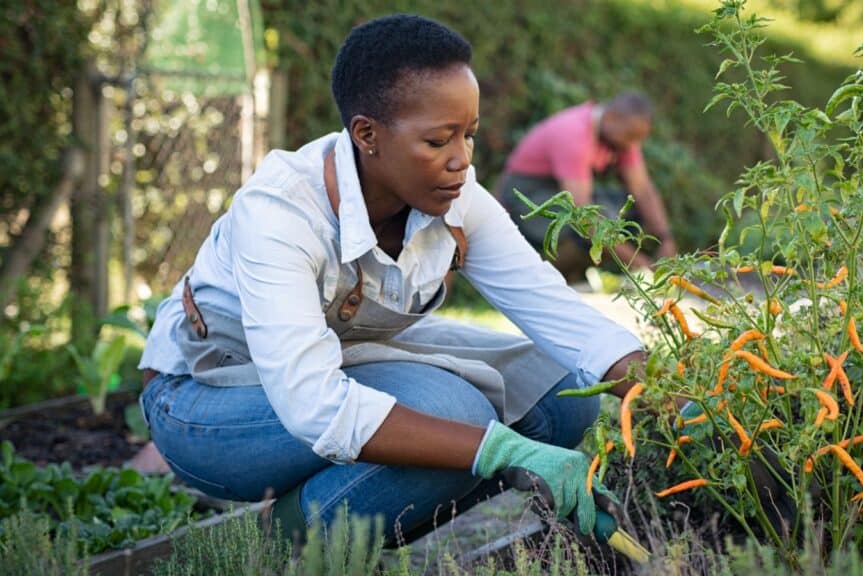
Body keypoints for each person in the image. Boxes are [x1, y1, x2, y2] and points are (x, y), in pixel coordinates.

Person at [136, 14, 648, 546]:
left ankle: (334, 512)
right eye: (438, 141)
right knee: (453, 415)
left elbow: (556, 313)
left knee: (564, 392)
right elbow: (312, 402)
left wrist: (681, 399)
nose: (462, 160)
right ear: (367, 134)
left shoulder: (454, 196)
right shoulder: (282, 212)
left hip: (347, 361)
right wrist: (502, 451)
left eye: (468, 135)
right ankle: (280, 542)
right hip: (205, 402)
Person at [499, 92, 677, 282]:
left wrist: (665, 238)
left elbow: (643, 190)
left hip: (559, 192)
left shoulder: (620, 138)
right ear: (611, 118)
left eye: (638, 139)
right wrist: (641, 265)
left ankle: (578, 272)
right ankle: (539, 276)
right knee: (587, 225)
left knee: (630, 213)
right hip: (526, 198)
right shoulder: (574, 134)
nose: (633, 145)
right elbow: (584, 215)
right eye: (631, 136)